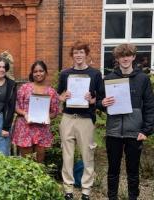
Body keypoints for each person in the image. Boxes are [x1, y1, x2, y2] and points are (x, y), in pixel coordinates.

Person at [99, 44, 154, 200]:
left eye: (128, 55)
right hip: (113, 131)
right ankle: (112, 197)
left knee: (133, 170)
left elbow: (150, 106)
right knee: (113, 169)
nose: (125, 58)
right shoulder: (109, 79)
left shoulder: (143, 79)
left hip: (134, 132)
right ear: (117, 58)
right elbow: (99, 103)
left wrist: (146, 130)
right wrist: (102, 103)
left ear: (133, 57)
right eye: (121, 56)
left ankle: (132, 197)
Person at [57, 41, 102, 200]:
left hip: (85, 120)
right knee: (67, 155)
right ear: (72, 55)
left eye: (81, 52)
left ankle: (86, 191)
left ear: (86, 54)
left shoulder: (95, 74)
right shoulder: (65, 74)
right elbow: (59, 95)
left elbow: (101, 98)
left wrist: (92, 101)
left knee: (87, 154)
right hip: (68, 118)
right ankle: (68, 190)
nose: (78, 55)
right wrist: (62, 97)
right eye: (76, 52)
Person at [12, 60, 59, 163]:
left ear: (46, 73)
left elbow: (54, 112)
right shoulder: (24, 88)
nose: (38, 74)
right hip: (25, 126)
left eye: (41, 71)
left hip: (41, 128)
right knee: (26, 162)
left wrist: (46, 117)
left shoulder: (51, 92)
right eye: (35, 71)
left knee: (39, 162)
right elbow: (16, 106)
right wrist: (25, 114)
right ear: (32, 74)